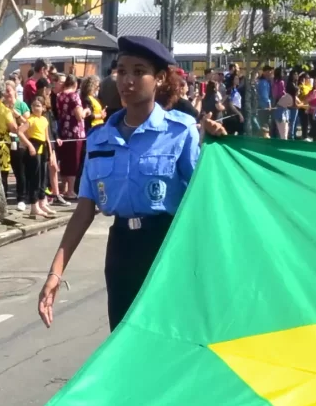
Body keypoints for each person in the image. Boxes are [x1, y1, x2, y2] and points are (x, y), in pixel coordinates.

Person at [39, 37, 202, 332]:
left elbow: (202, 199)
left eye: (139, 72)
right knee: (124, 339)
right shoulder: (99, 139)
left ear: (160, 79)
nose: (128, 80)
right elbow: (84, 212)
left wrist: (217, 144)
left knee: (170, 341)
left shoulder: (180, 132)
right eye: (122, 71)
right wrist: (55, 272)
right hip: (122, 251)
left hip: (167, 247)